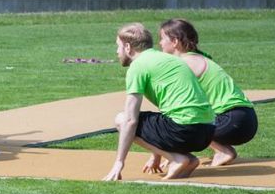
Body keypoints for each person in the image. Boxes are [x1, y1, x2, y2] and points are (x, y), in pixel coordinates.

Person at [104, 23, 215, 181]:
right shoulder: (169, 59)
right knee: (155, 119)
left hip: (184, 130)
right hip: (207, 132)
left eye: (118, 46)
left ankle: (177, 159)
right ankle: (186, 159)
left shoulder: (138, 66)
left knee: (121, 119)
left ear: (127, 47)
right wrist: (156, 154)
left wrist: (119, 163)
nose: (117, 51)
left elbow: (130, 120)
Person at [159, 18, 257, 167]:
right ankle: (220, 149)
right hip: (246, 120)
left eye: (162, 38)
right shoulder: (199, 57)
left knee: (185, 123)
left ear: (175, 41)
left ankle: (223, 151)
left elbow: (180, 109)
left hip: (231, 121)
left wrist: (169, 149)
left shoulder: (184, 64)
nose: (160, 43)